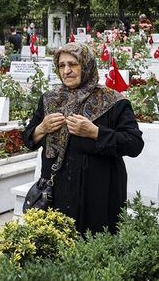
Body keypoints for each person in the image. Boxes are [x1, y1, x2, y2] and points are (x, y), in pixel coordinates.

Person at [22, 42, 144, 235]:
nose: (67, 71)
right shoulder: (50, 99)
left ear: (86, 65)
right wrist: (41, 128)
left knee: (95, 249)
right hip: (57, 192)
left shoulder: (113, 101)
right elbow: (28, 138)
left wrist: (95, 132)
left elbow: (134, 144)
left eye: (73, 64)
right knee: (58, 245)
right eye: (61, 65)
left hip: (98, 194)